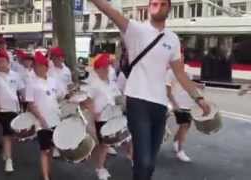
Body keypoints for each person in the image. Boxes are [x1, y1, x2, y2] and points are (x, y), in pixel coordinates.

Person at [88, 0, 210, 179]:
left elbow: (180, 74)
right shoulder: (136, 29)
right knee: (143, 161)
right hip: (138, 101)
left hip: (160, 105)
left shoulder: (173, 39)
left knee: (151, 163)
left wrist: (199, 98)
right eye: (154, 3)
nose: (158, 7)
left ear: (169, 8)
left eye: (162, 4)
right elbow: (108, 10)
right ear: (148, 7)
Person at [82, 54, 132, 180]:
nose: (107, 69)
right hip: (101, 118)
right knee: (104, 145)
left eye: (107, 67)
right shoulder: (93, 83)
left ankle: (103, 165)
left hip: (113, 116)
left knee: (108, 144)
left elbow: (116, 96)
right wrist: (94, 113)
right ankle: (100, 168)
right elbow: (85, 101)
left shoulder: (110, 82)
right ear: (97, 69)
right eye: (104, 67)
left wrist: (123, 105)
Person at [26, 51, 62, 180]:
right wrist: (41, 119)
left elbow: (58, 97)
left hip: (55, 119)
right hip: (41, 121)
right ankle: (45, 176)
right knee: (44, 149)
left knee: (51, 148)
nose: (36, 68)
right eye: (35, 65)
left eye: (40, 65)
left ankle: (48, 171)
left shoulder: (53, 81)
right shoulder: (31, 82)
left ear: (46, 67)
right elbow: (30, 104)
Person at [0, 49, 25, 172]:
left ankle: (5, 151)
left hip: (15, 108)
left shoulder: (15, 75)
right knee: (7, 132)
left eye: (3, 61)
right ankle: (9, 161)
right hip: (2, 109)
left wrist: (26, 104)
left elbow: (21, 91)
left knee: (13, 133)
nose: (0, 63)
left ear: (8, 62)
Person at [166, 48, 204, 162]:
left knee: (186, 126)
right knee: (184, 125)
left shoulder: (188, 69)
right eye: (178, 57)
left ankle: (176, 143)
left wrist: (198, 85)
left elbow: (187, 82)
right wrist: (174, 104)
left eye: (181, 56)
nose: (180, 58)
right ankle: (180, 151)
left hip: (188, 102)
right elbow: (167, 91)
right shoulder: (170, 72)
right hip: (178, 103)